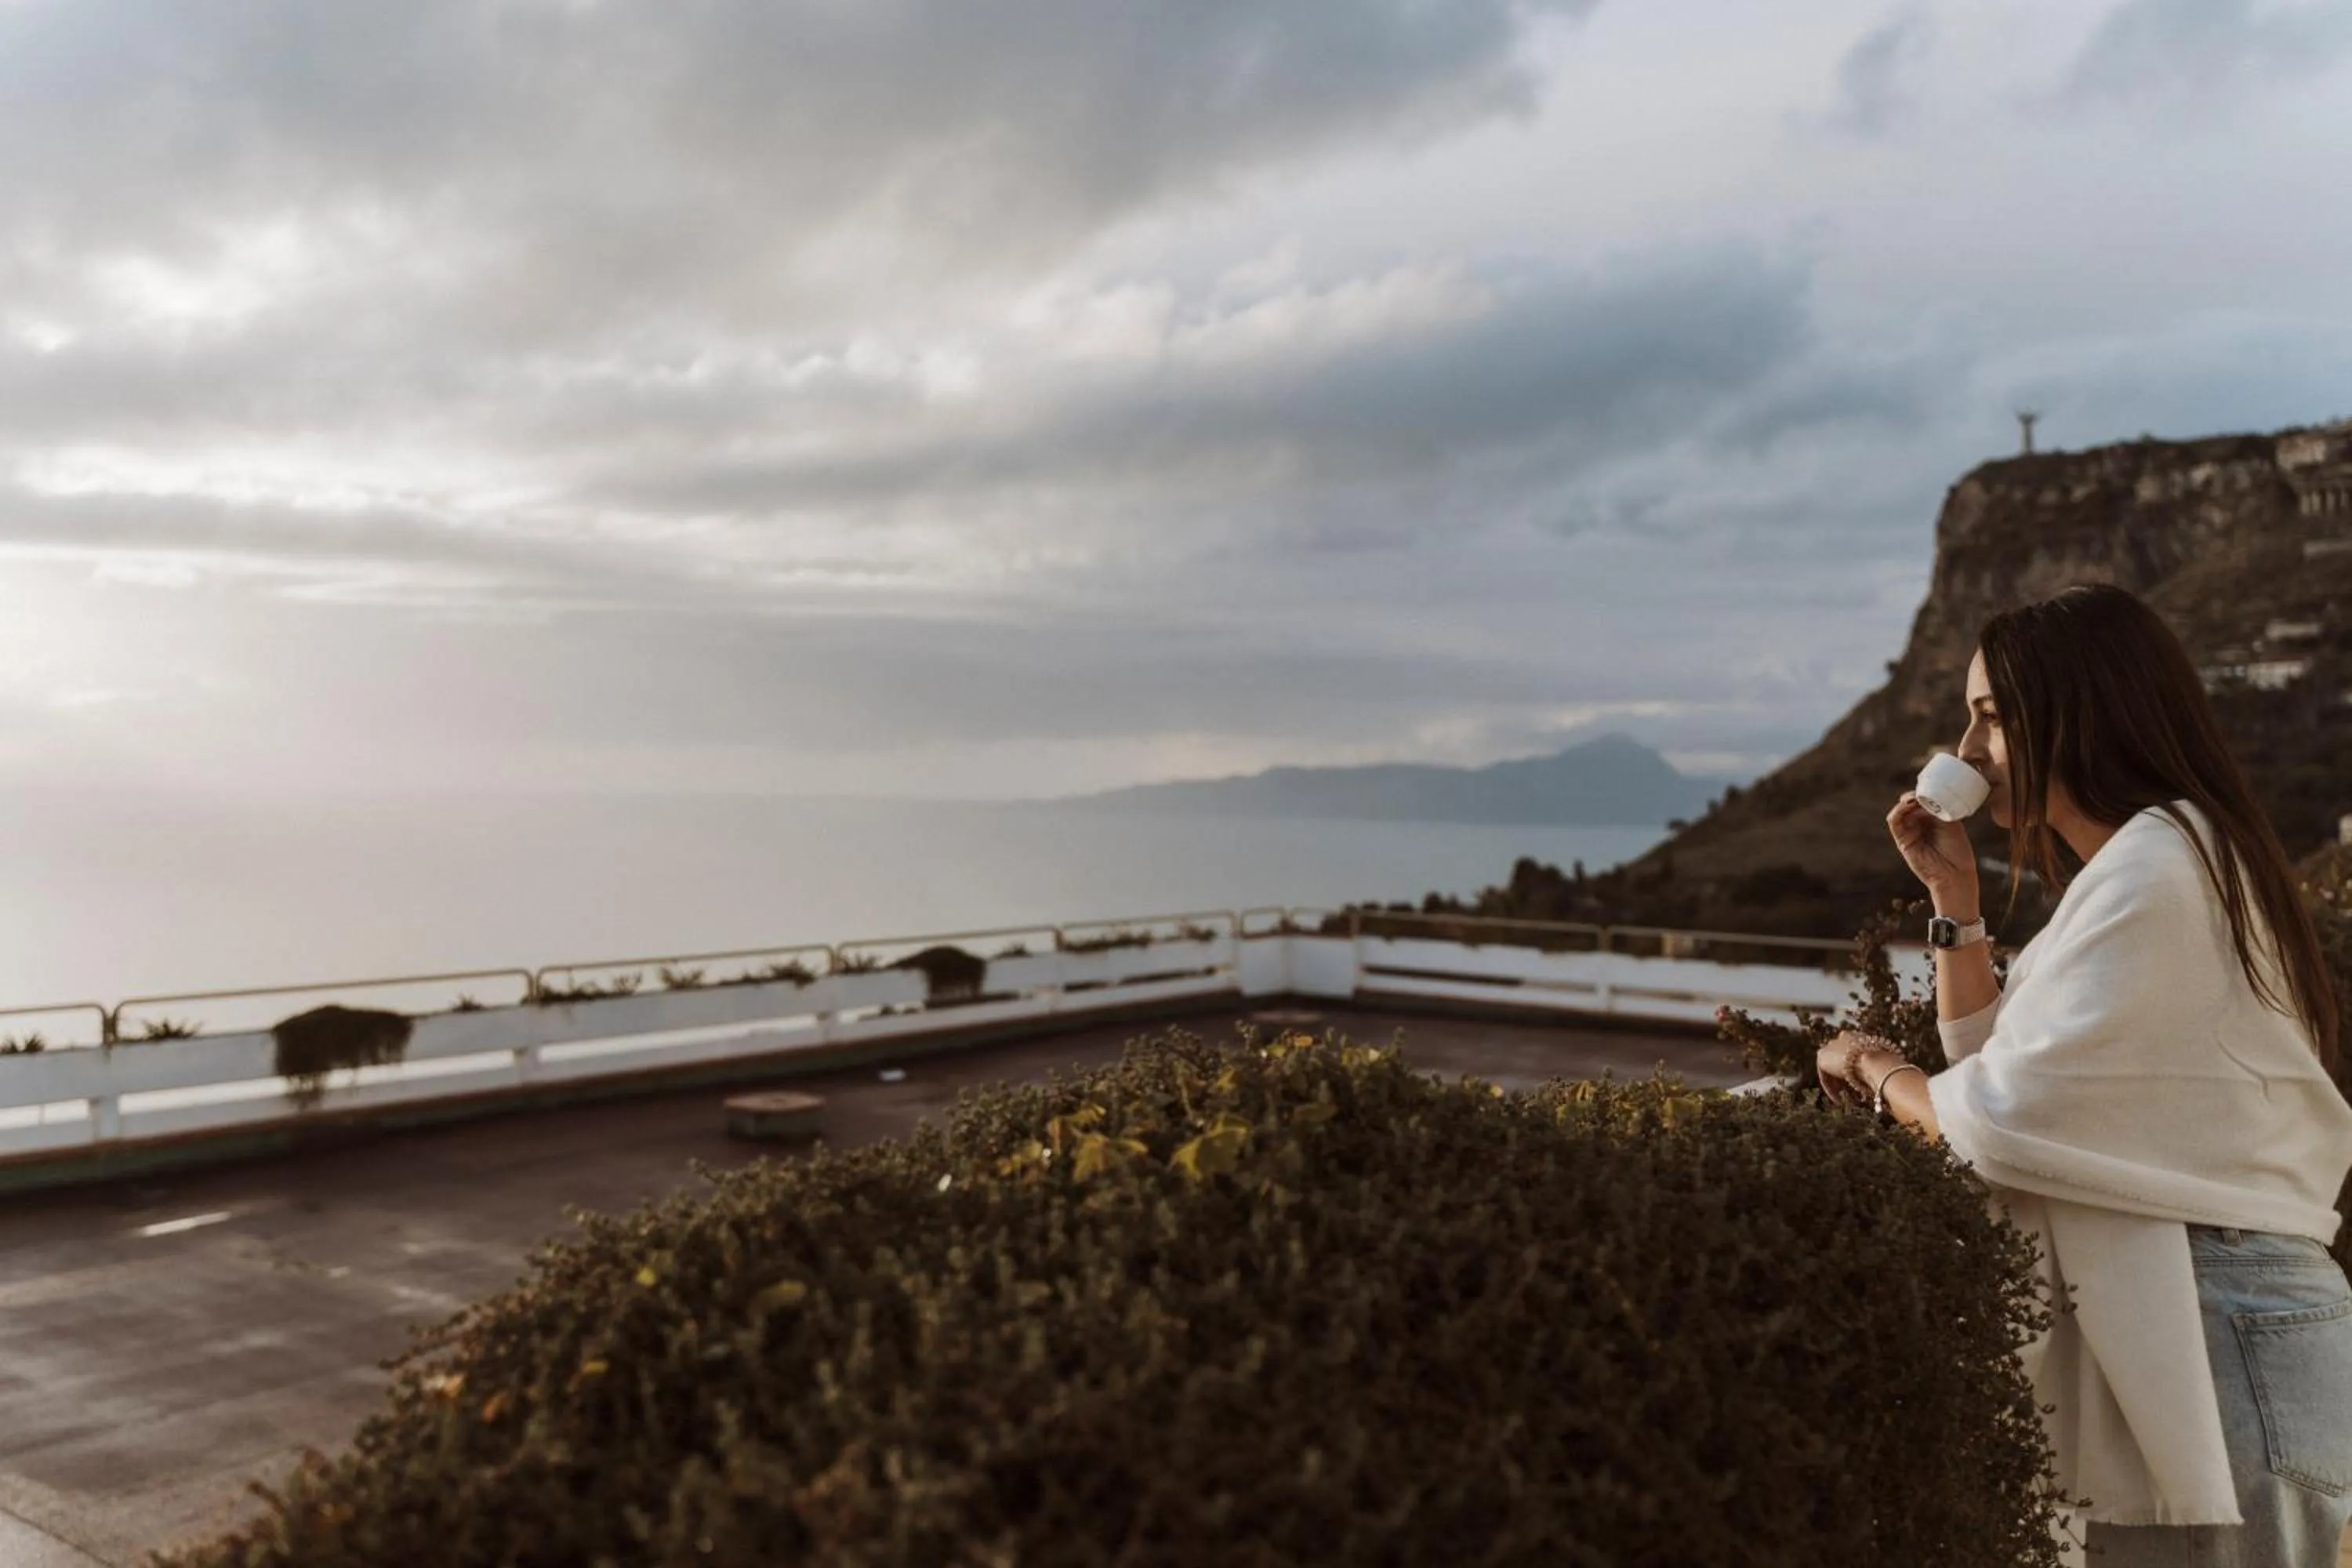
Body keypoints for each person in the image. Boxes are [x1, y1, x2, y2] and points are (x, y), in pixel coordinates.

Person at [1812, 583, 2352, 1566]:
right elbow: (2013, 1082)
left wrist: (1876, 1068)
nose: (1968, 752)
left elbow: (1997, 1117)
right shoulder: (2166, 858)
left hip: (2217, 1322)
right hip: (2219, 1314)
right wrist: (1956, 904)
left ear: (2082, 705)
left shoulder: (2159, 871)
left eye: (1990, 715)